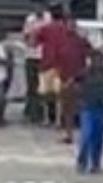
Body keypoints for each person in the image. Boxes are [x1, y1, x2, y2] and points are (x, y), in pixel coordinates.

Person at [36, 6, 86, 144]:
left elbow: (87, 58)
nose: (70, 26)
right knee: (66, 108)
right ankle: (68, 134)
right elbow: (57, 58)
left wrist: (77, 76)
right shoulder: (61, 40)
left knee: (77, 108)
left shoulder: (80, 41)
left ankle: (78, 134)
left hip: (77, 78)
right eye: (68, 23)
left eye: (73, 24)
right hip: (63, 76)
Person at [22, 8, 49, 123]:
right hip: (31, 56)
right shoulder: (30, 19)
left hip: (44, 57)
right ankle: (33, 113)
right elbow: (26, 36)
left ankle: (40, 113)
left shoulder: (49, 18)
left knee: (42, 87)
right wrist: (33, 36)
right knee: (32, 87)